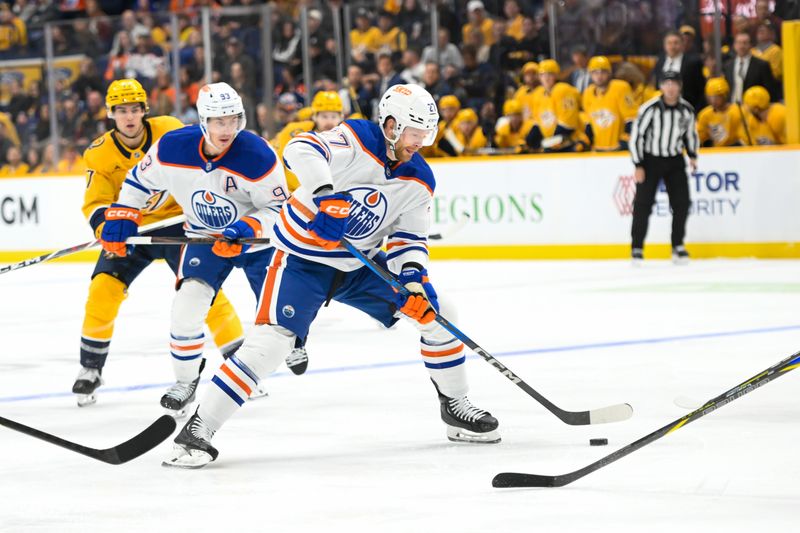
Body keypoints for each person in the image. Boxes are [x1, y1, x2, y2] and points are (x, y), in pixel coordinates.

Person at [164, 84, 500, 468]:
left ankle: (455, 406)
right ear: (391, 125)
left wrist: (411, 281)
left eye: (426, 132)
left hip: (361, 266)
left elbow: (409, 238)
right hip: (301, 261)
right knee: (271, 344)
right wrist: (326, 195)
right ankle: (198, 429)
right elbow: (300, 148)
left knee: (440, 315)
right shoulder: (355, 137)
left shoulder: (420, 179)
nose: (420, 141)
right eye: (414, 132)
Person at [98, 82, 288, 417]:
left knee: (277, 316)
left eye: (233, 120)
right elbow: (138, 183)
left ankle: (291, 343)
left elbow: (277, 209)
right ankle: (185, 382)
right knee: (186, 307)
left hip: (254, 240)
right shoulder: (172, 147)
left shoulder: (258, 155)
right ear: (203, 121)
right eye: (218, 121)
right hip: (204, 237)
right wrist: (124, 214)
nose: (227, 129)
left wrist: (248, 227)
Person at [72, 79, 246, 407]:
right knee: (102, 290)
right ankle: (90, 368)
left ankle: (239, 360)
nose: (129, 117)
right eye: (121, 110)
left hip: (178, 224)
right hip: (132, 230)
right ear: (110, 114)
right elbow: (96, 202)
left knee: (202, 288)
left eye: (135, 109)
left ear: (144, 111)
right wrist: (105, 228)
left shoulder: (169, 129)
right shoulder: (99, 153)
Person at [629, 71, 699, 265]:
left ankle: (677, 245)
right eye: (666, 83)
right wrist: (639, 164)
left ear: (680, 86)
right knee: (643, 205)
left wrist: (692, 155)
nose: (670, 87)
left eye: (674, 83)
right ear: (661, 86)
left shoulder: (686, 110)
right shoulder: (649, 108)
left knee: (682, 203)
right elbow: (637, 137)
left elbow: (690, 135)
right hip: (651, 161)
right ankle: (637, 248)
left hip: (675, 160)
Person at [524, 59, 587, 153]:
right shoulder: (538, 94)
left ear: (556, 75)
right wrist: (532, 139)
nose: (546, 78)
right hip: (554, 144)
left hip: (572, 143)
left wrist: (548, 142)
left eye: (550, 74)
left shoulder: (563, 90)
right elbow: (539, 121)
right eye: (542, 75)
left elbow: (568, 125)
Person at [581, 56, 637, 152]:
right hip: (597, 150)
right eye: (595, 72)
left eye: (603, 72)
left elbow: (632, 118)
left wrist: (626, 141)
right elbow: (589, 124)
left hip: (618, 150)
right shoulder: (587, 93)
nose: (599, 76)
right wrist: (584, 142)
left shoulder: (621, 88)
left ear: (609, 73)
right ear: (590, 74)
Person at [652, 31, 706, 112]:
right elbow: (657, 86)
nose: (672, 46)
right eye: (669, 43)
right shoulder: (660, 61)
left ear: (682, 45)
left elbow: (701, 89)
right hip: (663, 110)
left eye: (676, 43)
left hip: (687, 109)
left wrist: (695, 111)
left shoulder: (693, 63)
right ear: (665, 45)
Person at [723, 31, 779, 104]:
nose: (742, 46)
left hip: (754, 109)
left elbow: (770, 91)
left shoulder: (762, 65)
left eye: (745, 43)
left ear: (751, 45)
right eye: (739, 43)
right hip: (733, 109)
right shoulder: (728, 65)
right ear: (734, 45)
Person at [697, 77, 744, 147]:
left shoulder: (739, 111)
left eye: (717, 97)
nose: (713, 100)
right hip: (717, 153)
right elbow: (698, 138)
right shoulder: (705, 115)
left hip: (736, 151)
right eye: (710, 97)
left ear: (725, 95)